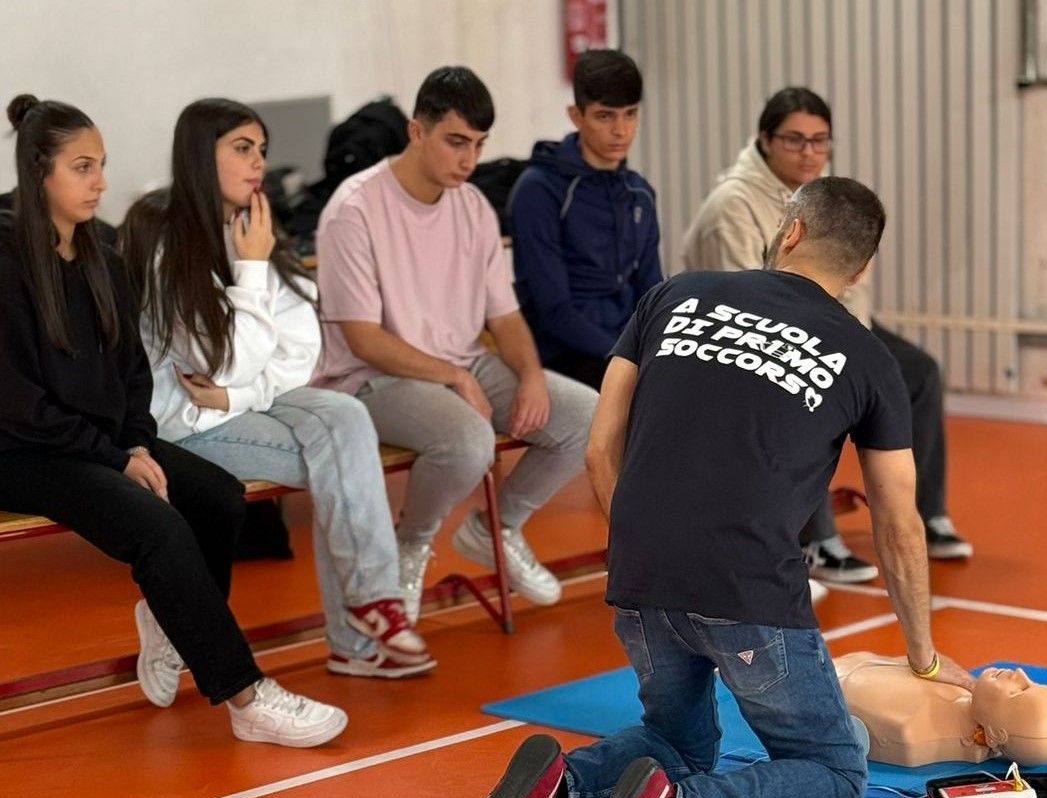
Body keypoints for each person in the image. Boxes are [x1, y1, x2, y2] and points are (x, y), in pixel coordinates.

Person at [466, 177, 974, 798]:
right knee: (834, 770)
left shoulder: (673, 295)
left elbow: (599, 448)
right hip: (747, 589)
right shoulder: (868, 359)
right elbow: (898, 523)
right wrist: (922, 658)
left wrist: (642, 546)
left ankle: (561, 785)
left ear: (790, 231)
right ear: (860, 271)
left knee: (676, 741)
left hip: (640, 574)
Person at [0, 95, 346, 748]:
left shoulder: (101, 249)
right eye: (82, 167)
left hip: (100, 441)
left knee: (218, 497)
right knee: (157, 526)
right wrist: (114, 458)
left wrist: (134, 441)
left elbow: (133, 367)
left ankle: (169, 624)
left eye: (101, 165)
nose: (100, 182)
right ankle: (246, 695)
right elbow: (15, 402)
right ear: (39, 171)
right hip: (24, 450)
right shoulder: (7, 259)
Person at [121, 98, 434, 681]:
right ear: (199, 154)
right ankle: (362, 624)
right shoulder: (161, 234)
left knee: (345, 417)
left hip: (239, 405)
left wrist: (238, 393)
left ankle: (365, 620)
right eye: (242, 149)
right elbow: (217, 358)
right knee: (344, 462)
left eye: (261, 149)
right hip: (189, 424)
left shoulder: (254, 224)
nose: (258, 162)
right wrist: (251, 271)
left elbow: (301, 350)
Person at [312, 66, 599, 621]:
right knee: (469, 442)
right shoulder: (354, 209)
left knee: (584, 416)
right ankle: (410, 545)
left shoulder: (473, 206)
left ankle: (496, 528)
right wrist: (456, 376)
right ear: (417, 131)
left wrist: (531, 376)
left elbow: (505, 316)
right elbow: (363, 339)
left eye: (479, 144)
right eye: (456, 142)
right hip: (371, 378)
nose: (469, 160)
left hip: (463, 361)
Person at [682, 86, 973, 586]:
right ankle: (814, 540)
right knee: (806, 386)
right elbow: (743, 300)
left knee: (918, 373)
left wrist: (854, 346)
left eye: (820, 141)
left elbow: (851, 277)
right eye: (795, 140)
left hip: (827, 319)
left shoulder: (826, 195)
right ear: (765, 141)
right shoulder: (733, 204)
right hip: (749, 336)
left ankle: (926, 514)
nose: (809, 152)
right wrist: (831, 352)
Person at [508, 48, 662, 390]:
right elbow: (554, 311)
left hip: (624, 348)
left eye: (630, 114)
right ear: (576, 116)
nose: (620, 130)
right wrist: (626, 359)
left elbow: (652, 293)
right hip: (561, 351)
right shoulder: (539, 190)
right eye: (605, 116)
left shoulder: (640, 193)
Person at [834, 653, 1047, 766]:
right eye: (1032, 682)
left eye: (1017, 691)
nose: (1020, 674)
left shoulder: (912, 728)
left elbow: (835, 693)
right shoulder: (962, 686)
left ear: (994, 735)